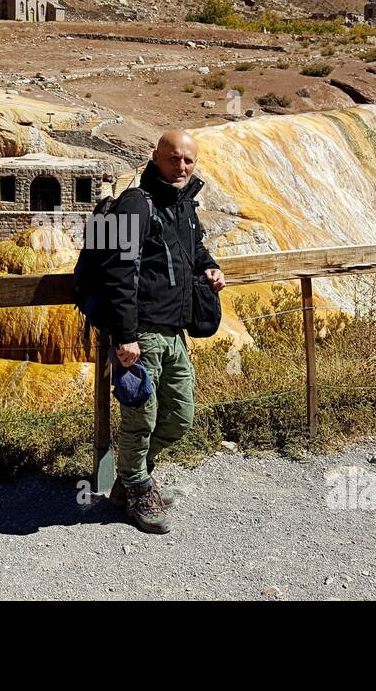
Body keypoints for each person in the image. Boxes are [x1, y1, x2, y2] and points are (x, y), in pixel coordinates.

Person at [99, 129, 224, 534]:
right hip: (142, 334)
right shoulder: (135, 205)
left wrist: (208, 266)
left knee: (180, 415)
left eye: (188, 160)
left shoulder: (183, 203)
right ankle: (137, 487)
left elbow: (194, 248)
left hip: (174, 332)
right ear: (155, 157)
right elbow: (117, 273)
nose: (182, 166)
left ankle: (134, 479)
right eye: (174, 159)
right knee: (140, 418)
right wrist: (125, 336)